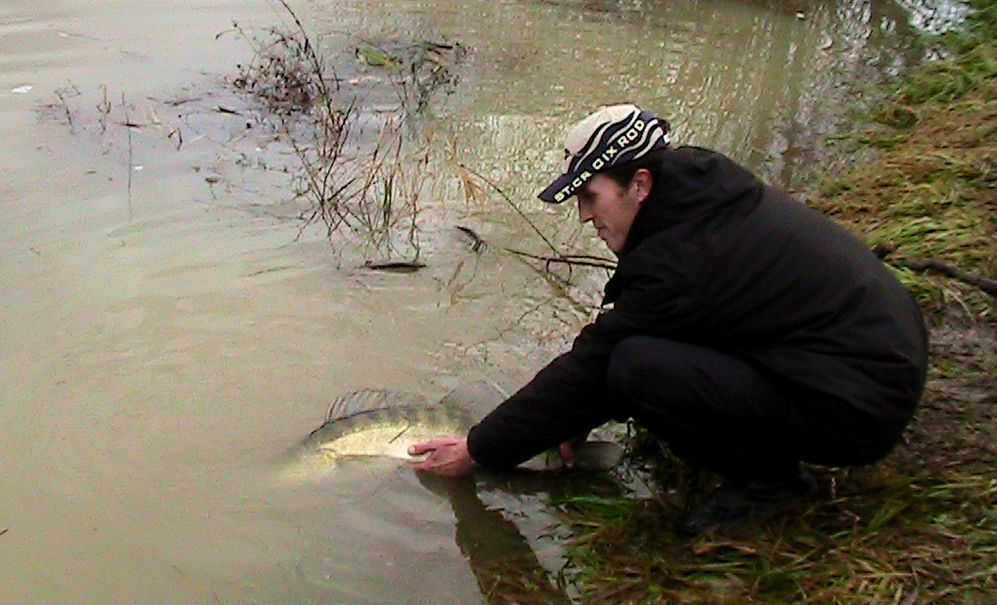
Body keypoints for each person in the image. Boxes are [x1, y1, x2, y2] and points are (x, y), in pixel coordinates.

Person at [409, 104, 928, 534]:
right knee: (634, 360)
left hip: (858, 410)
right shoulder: (699, 197)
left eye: (590, 198)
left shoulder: (678, 260)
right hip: (873, 367)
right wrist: (574, 416)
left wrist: (479, 449)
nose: (585, 216)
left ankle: (770, 484)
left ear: (639, 183)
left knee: (637, 368)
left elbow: (597, 363)